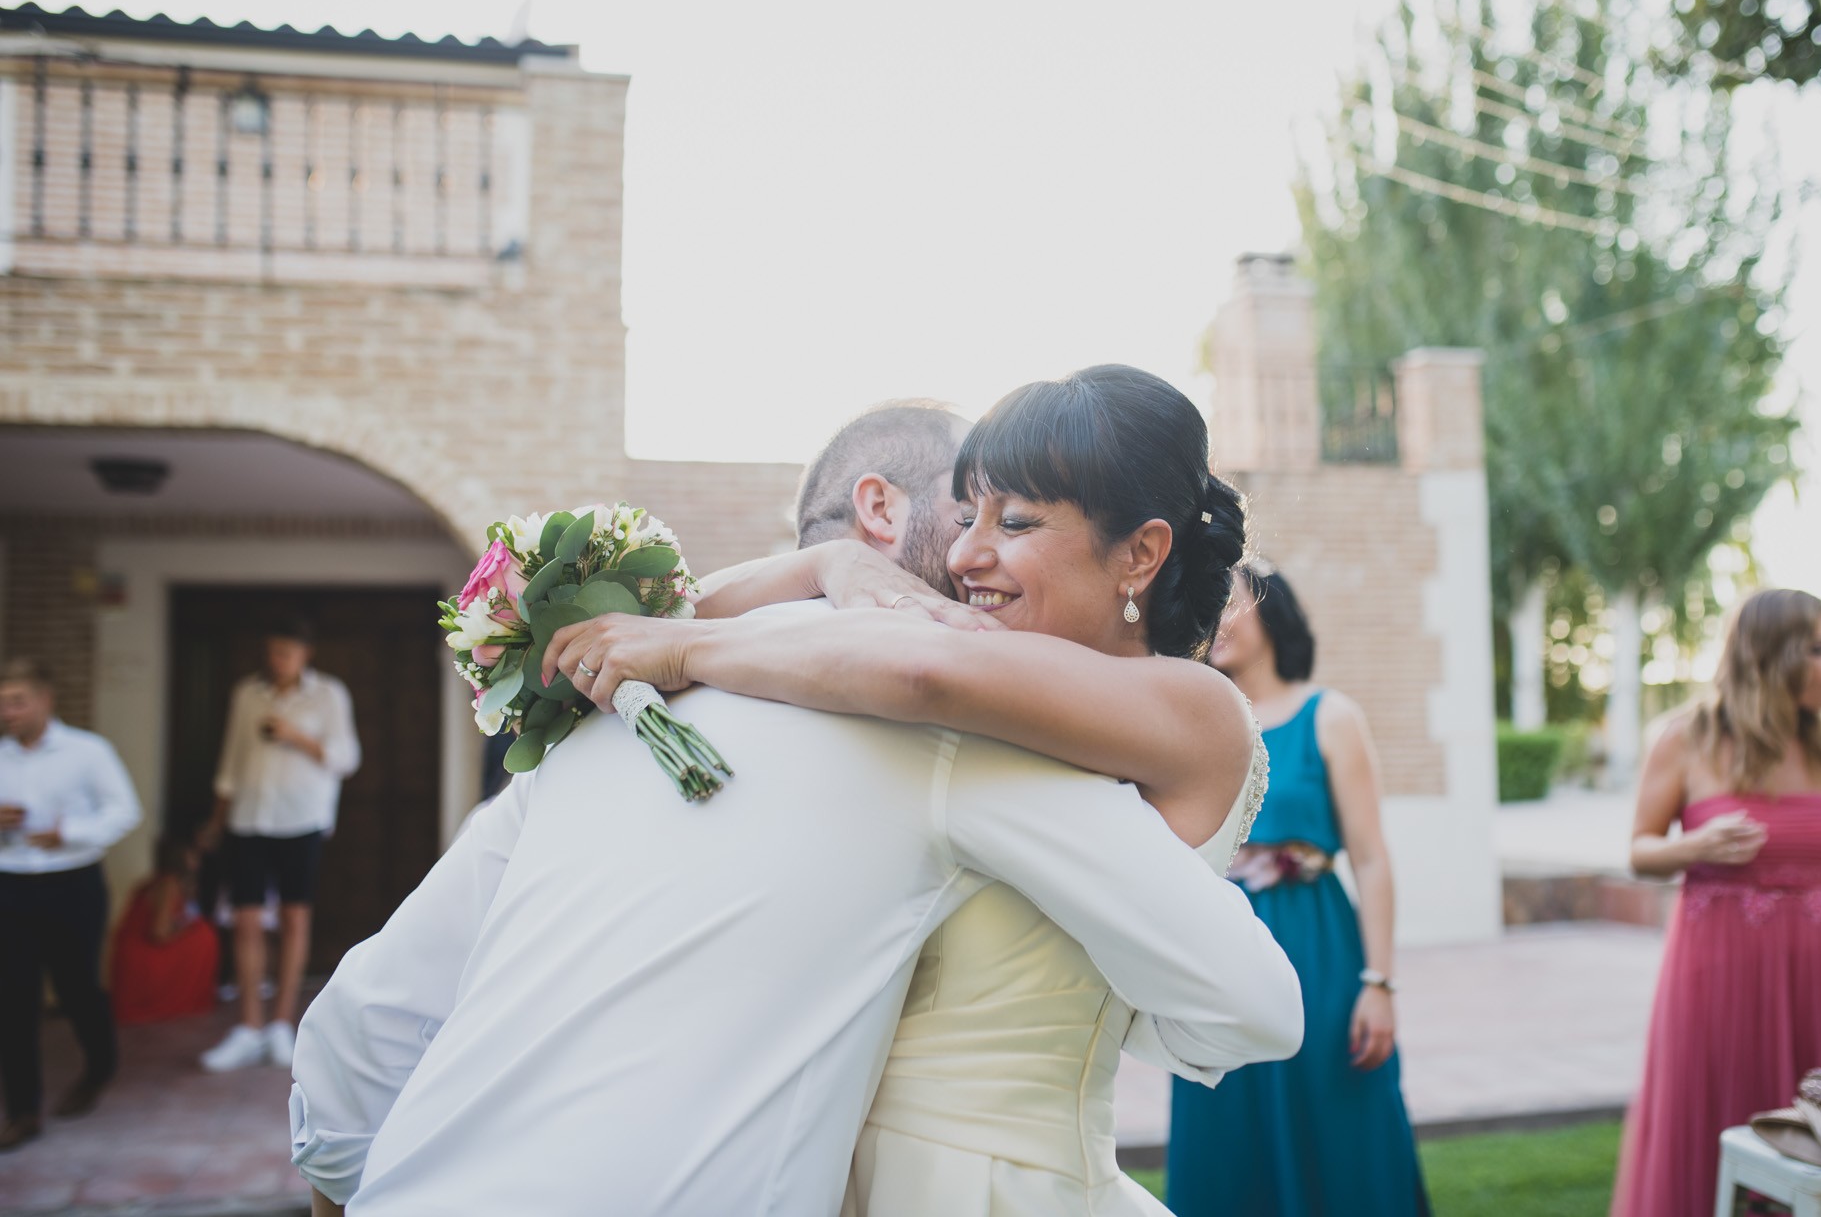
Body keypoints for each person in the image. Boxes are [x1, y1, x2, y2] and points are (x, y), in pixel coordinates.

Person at [289, 382, 1301, 1216]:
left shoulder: (1132, 710)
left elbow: (924, 677)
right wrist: (807, 574)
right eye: (968, 513)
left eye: (1012, 519)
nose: (962, 556)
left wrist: (691, 639)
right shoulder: (926, 721)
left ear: (1140, 553)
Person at [1611, 588, 1821, 1216]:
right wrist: (1700, 845)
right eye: (1820, 649)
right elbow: (1639, 851)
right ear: (1773, 655)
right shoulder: (1687, 737)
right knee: (1717, 1115)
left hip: (1818, 969)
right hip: (1718, 966)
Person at [1166, 561, 1431, 1215]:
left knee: (1338, 1126)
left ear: (1271, 609)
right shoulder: (1192, 721)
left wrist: (1380, 982)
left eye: (1228, 604)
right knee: (1226, 1134)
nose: (1214, 622)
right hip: (1217, 957)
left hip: (1317, 952)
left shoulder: (1330, 716)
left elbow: (1370, 858)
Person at [199, 618, 360, 1073]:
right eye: (272, 653)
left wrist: (297, 736)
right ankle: (250, 1025)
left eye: (286, 653)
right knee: (246, 921)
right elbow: (230, 763)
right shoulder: (246, 694)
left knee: (293, 917)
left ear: (306, 654)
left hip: (301, 820)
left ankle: (281, 1024)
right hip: (248, 818)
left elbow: (346, 759)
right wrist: (216, 820)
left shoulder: (329, 694)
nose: (278, 662)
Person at [0, 657, 142, 1151]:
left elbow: (125, 811)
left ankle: (99, 1068)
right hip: (10, 885)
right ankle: (23, 1110)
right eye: (2, 704)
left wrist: (68, 835)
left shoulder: (89, 752)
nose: (8, 712)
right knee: (13, 999)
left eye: (17, 701)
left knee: (78, 987)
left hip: (74, 884)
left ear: (45, 700)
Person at [110, 836, 219, 1026]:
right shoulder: (168, 884)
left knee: (202, 931)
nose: (198, 861)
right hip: (145, 958)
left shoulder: (157, 881)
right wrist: (187, 928)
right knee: (204, 934)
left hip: (132, 957)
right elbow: (159, 933)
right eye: (193, 855)